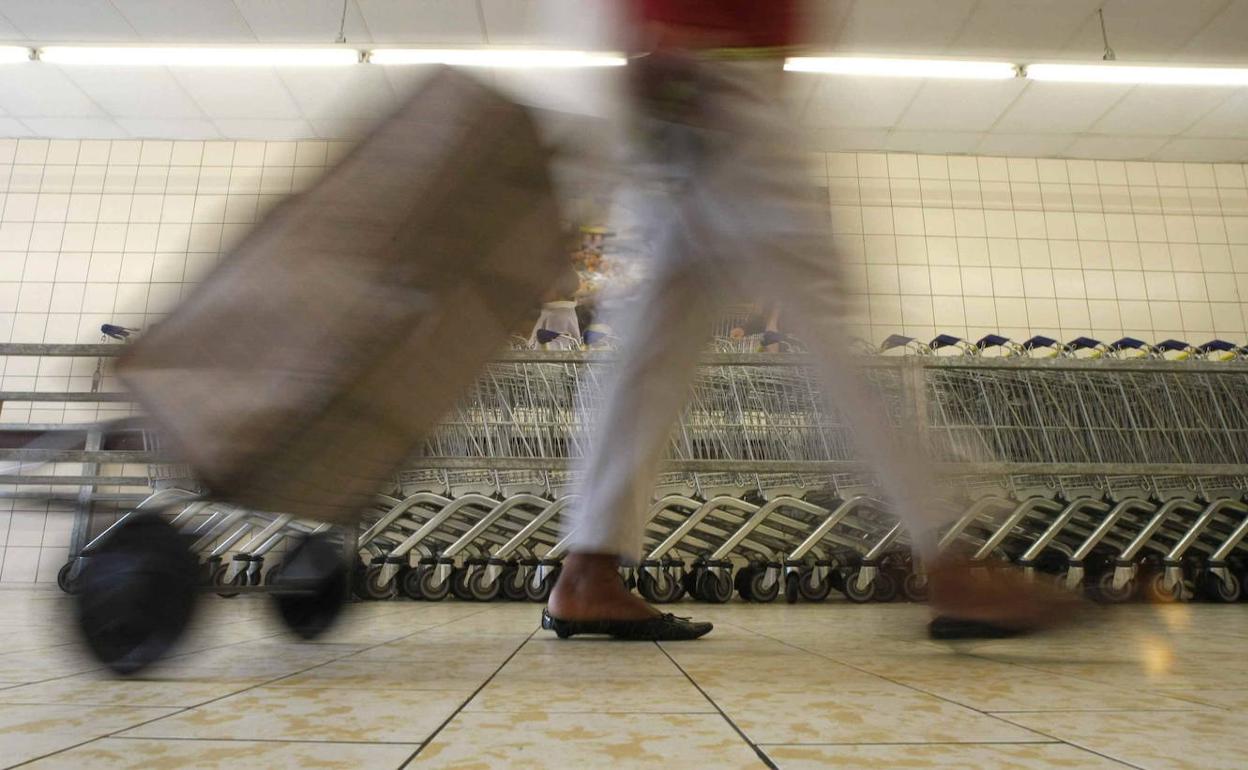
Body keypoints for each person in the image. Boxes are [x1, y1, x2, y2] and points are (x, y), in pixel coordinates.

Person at [543, 0, 1082, 641]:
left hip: (680, 85)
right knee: (830, 333)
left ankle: (588, 571)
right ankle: (950, 558)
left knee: (649, 350)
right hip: (720, 85)